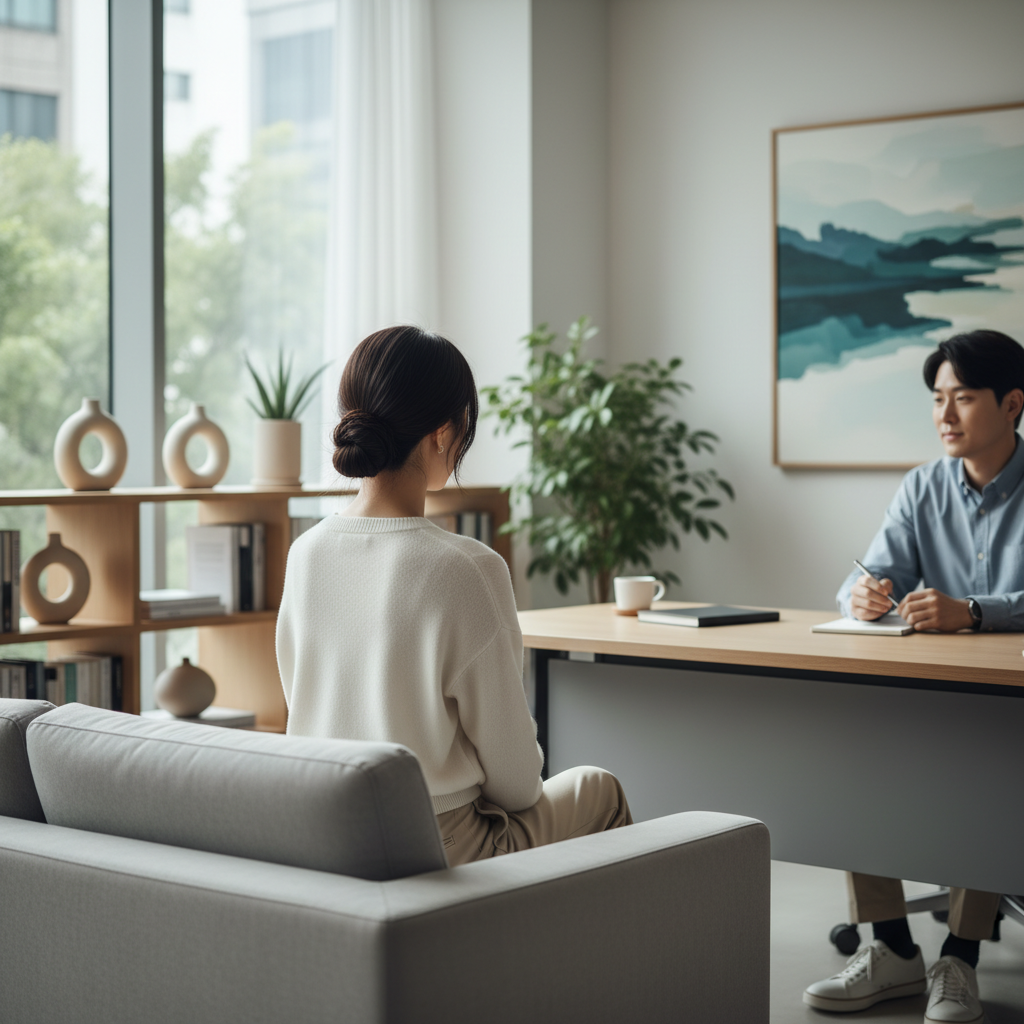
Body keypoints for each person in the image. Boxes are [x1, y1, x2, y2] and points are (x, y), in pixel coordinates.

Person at [276, 325, 631, 866]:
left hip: (323, 835)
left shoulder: (306, 554)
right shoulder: (467, 568)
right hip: (437, 845)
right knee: (598, 788)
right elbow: (517, 787)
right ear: (442, 433)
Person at [803, 330, 1024, 1024]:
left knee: (989, 758)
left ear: (1013, 403)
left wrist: (976, 612)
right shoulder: (923, 486)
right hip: (935, 691)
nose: (945, 415)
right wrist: (860, 597)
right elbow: (864, 576)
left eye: (963, 397)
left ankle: (958, 957)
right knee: (856, 750)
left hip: (1009, 708)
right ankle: (894, 948)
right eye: (937, 399)